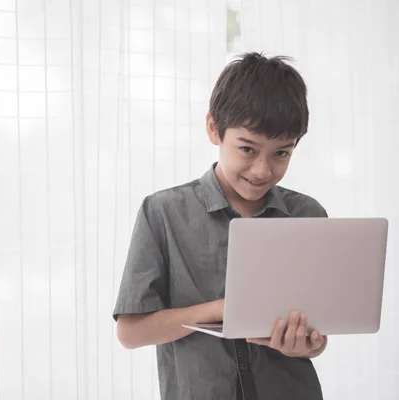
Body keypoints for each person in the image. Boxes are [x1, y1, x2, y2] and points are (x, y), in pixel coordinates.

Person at [113, 52, 329, 400]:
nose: (262, 170)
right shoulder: (163, 212)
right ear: (214, 128)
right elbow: (131, 332)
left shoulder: (307, 214)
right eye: (247, 149)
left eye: (281, 153)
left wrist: (305, 344)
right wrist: (219, 311)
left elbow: (315, 335)